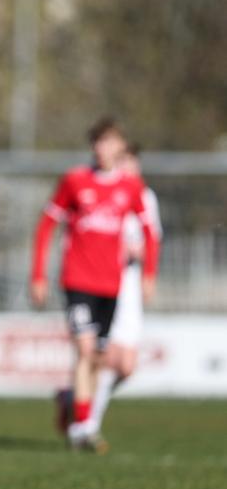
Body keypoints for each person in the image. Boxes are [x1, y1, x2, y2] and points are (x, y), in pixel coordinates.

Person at [31, 117, 159, 451]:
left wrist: (148, 275)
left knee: (100, 358)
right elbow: (46, 226)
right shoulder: (75, 181)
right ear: (94, 146)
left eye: (112, 142)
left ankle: (78, 410)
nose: (106, 149)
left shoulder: (131, 189)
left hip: (112, 285)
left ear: (121, 147)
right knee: (86, 350)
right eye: (100, 142)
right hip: (77, 281)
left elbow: (150, 234)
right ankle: (83, 428)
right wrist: (38, 275)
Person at [86, 144, 162, 438]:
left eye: (134, 165)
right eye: (125, 164)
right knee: (104, 357)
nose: (131, 171)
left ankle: (74, 399)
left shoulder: (146, 198)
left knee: (127, 367)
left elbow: (153, 241)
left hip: (130, 286)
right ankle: (89, 423)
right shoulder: (105, 195)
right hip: (104, 283)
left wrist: (148, 274)